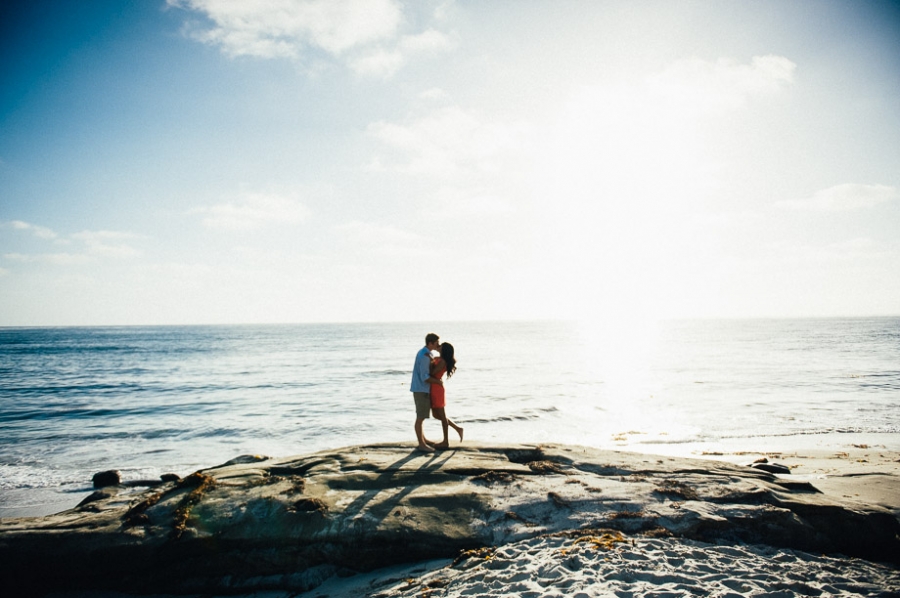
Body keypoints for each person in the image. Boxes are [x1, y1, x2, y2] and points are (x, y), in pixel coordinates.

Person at [410, 333, 442, 452]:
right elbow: (425, 377)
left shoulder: (427, 353)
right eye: (436, 343)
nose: (438, 345)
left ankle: (423, 440)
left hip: (422, 388)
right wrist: (438, 382)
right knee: (420, 417)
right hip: (421, 389)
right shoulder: (424, 355)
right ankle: (421, 444)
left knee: (422, 416)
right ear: (430, 343)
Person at [430, 342, 464, 449]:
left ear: (443, 350)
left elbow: (432, 373)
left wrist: (429, 363)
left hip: (437, 389)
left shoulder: (442, 361)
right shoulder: (438, 359)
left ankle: (445, 441)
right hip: (434, 387)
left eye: (440, 346)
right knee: (436, 415)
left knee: (442, 415)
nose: (438, 347)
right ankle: (458, 428)